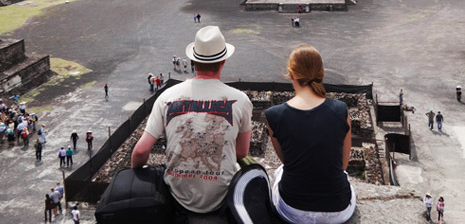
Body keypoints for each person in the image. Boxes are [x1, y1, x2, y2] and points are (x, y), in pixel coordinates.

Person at [131, 25, 253, 214]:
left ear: (193, 61)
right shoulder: (241, 100)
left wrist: (136, 173)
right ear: (223, 61)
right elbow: (242, 152)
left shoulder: (167, 97)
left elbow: (140, 150)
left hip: (177, 196)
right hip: (222, 195)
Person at [265, 45, 356, 224]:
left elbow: (287, 161)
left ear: (291, 74)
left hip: (293, 210)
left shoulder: (274, 115)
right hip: (338, 210)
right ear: (321, 74)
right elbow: (343, 164)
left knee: (280, 171)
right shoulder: (340, 110)